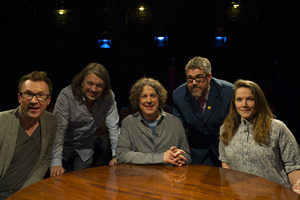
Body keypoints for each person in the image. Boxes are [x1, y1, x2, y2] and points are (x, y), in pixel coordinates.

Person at [219, 79, 300, 194]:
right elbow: (225, 162)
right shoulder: (225, 129)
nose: (244, 105)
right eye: (239, 99)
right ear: (234, 103)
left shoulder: (277, 128)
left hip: (276, 195)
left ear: (259, 101)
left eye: (250, 99)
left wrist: (296, 188)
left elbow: (293, 165)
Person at [50, 63, 120, 177]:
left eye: (99, 85)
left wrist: (116, 155)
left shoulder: (109, 97)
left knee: (82, 188)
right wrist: (56, 161)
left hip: (84, 150)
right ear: (82, 81)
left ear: (105, 87)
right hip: (61, 149)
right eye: (90, 83)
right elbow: (58, 130)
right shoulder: (67, 95)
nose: (94, 89)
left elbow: (114, 128)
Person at [0, 71, 57, 199]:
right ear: (19, 98)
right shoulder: (2, 122)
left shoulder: (51, 122)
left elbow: (45, 159)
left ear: (48, 100)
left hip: (29, 192)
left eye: (41, 95)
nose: (34, 101)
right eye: (28, 94)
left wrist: (27, 191)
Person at [172, 56, 233, 166]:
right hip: (195, 154)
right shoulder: (179, 95)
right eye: (190, 79)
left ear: (209, 77)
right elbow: (180, 131)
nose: (194, 83)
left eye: (199, 78)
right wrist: (182, 154)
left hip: (225, 152)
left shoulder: (229, 92)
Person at [116, 77, 191, 166]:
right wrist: (161, 157)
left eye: (153, 96)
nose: (149, 101)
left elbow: (187, 156)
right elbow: (121, 155)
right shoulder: (128, 123)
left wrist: (180, 157)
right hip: (138, 177)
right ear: (137, 99)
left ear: (159, 98)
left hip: (168, 177)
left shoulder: (175, 122)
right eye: (144, 96)